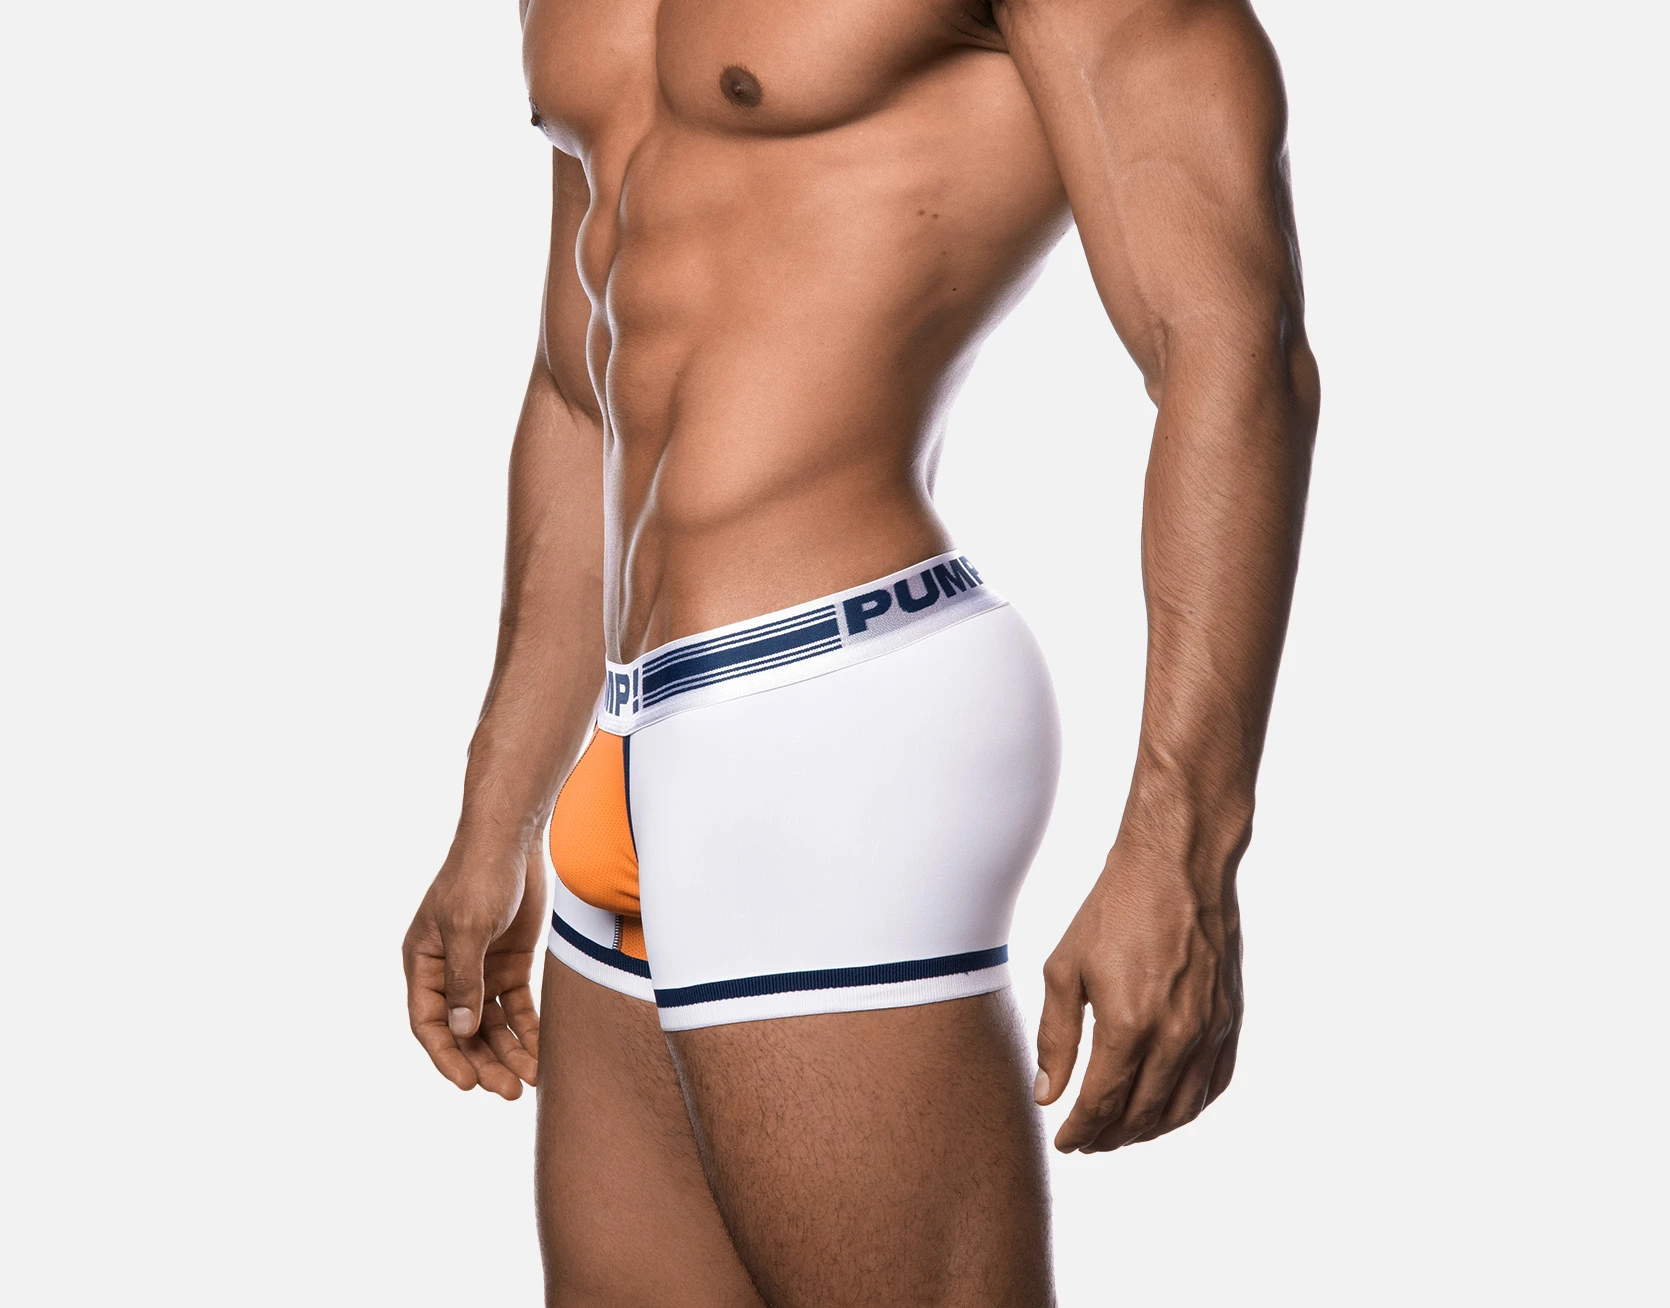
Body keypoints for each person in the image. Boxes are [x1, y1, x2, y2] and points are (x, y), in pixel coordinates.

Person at [402, 0, 1319, 1302]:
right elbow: (577, 381)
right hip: (624, 736)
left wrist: (1184, 850)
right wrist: (495, 816)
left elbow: (1228, 341)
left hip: (836, 713)